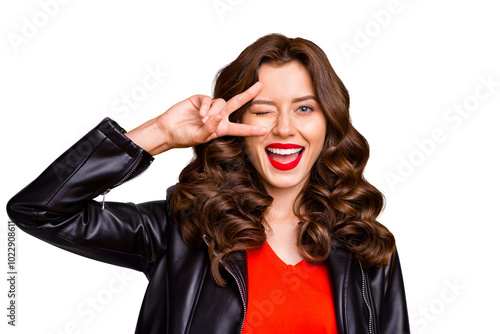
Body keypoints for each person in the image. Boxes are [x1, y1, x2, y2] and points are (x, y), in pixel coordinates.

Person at [7, 33, 410, 333]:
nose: (285, 129)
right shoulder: (181, 231)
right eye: (263, 111)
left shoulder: (368, 247)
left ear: (329, 124)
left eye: (305, 108)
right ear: (236, 127)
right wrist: (160, 133)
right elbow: (39, 211)